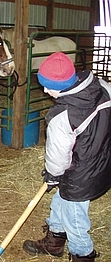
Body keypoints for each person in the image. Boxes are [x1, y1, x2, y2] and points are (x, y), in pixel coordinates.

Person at [23, 52, 111, 262]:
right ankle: (54, 241)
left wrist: (53, 175)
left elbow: (58, 156)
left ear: (61, 84)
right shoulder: (101, 87)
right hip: (102, 161)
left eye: (48, 86)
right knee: (60, 199)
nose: (45, 90)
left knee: (74, 214)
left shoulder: (62, 116)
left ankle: (83, 254)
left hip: (81, 171)